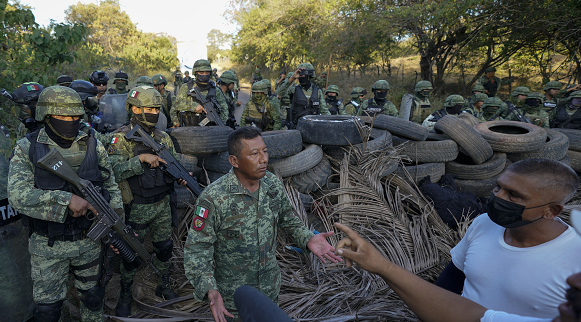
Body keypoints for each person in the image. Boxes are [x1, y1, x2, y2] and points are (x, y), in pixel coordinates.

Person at [183, 127, 342, 321]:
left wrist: (307, 238)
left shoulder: (272, 184)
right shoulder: (214, 198)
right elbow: (197, 249)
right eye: (254, 154)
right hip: (234, 300)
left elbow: (287, 218)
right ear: (234, 161)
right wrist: (209, 288)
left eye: (265, 151)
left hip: (269, 290)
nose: (264, 159)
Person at [8, 86, 123, 322]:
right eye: (64, 117)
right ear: (46, 117)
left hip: (89, 240)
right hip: (47, 246)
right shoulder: (28, 147)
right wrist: (66, 200)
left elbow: (110, 185)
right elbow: (18, 195)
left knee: (93, 298)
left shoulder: (92, 143)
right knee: (48, 311)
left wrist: (116, 225)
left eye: (75, 117)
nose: (71, 122)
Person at [435, 158, 581, 319]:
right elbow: (452, 278)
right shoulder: (484, 223)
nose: (498, 197)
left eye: (513, 195)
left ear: (551, 211)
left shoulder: (576, 256)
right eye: (498, 187)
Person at [108, 86, 185, 317]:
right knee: (130, 255)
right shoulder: (121, 138)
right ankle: (124, 295)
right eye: (148, 108)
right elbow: (111, 171)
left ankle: (163, 284)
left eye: (156, 109)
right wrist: (140, 159)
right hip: (137, 207)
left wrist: (181, 177)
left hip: (162, 204)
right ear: (134, 109)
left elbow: (170, 167)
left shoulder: (163, 137)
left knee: (164, 248)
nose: (153, 113)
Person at [170, 59, 229, 127]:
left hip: (211, 130)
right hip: (189, 129)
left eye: (207, 73)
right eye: (201, 73)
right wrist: (194, 106)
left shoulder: (215, 90)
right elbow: (176, 105)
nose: (204, 75)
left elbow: (224, 109)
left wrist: (221, 123)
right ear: (195, 73)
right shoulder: (186, 87)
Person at [277, 63, 330, 128]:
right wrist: (292, 78)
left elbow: (324, 111)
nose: (301, 77)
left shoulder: (318, 91)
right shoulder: (293, 90)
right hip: (296, 128)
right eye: (300, 74)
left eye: (303, 75)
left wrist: (331, 123)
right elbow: (279, 92)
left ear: (309, 76)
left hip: (314, 127)